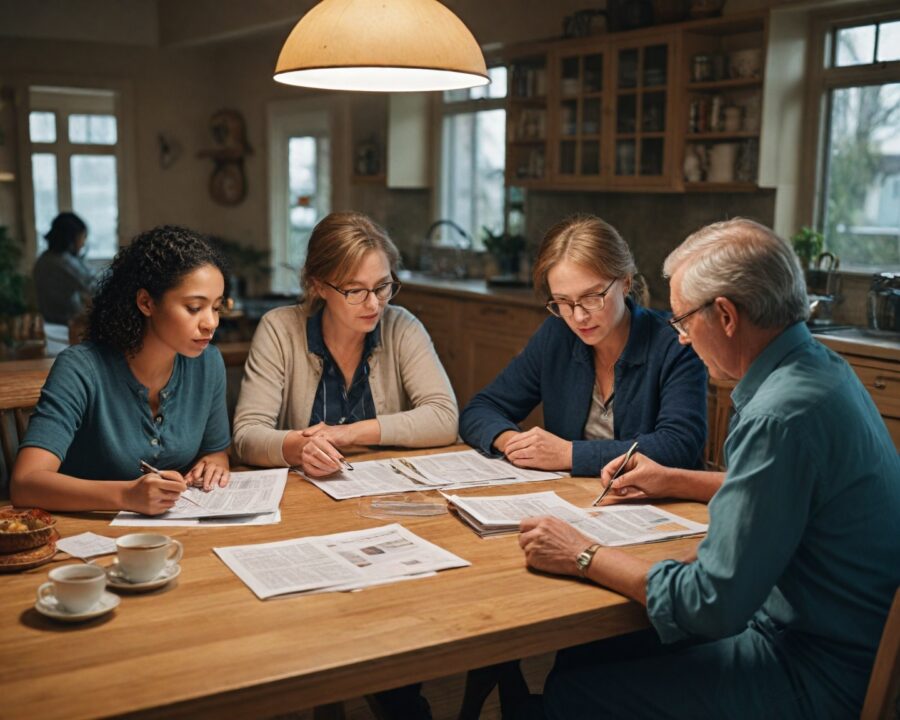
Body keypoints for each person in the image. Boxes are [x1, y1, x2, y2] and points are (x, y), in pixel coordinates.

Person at [517, 218, 900, 719]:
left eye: (681, 321)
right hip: (846, 643)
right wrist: (673, 479)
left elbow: (710, 606)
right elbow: (793, 490)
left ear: (725, 315)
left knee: (574, 692)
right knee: (595, 651)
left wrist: (583, 554)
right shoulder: (818, 369)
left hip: (816, 671)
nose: (678, 339)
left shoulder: (775, 417)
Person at [459, 214, 707, 477]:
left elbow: (679, 445)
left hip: (663, 508)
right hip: (573, 499)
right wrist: (515, 444)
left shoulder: (675, 341)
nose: (578, 317)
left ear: (625, 283)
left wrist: (568, 454)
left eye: (591, 297)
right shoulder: (557, 334)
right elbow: (480, 410)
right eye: (563, 301)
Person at [12, 225, 232, 515]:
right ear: (146, 302)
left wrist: (217, 462)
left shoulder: (208, 363)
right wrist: (127, 495)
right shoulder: (81, 369)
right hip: (82, 535)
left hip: (175, 533)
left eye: (216, 307)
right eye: (194, 307)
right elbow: (25, 484)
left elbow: (215, 449)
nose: (210, 323)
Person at [232, 211, 458, 477]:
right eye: (355, 290)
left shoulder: (402, 327)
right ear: (319, 286)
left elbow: (444, 418)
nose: (374, 304)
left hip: (384, 486)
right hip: (306, 494)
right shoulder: (279, 330)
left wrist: (347, 434)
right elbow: (247, 437)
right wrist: (301, 448)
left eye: (382, 286)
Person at [33, 212, 95, 354]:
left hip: (51, 328)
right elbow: (96, 286)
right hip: (65, 331)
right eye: (83, 237)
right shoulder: (63, 262)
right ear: (73, 237)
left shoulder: (44, 259)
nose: (84, 243)